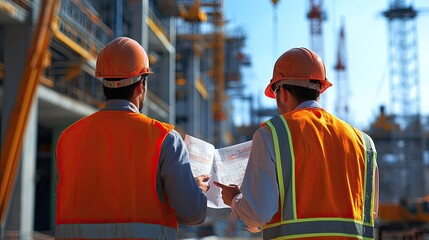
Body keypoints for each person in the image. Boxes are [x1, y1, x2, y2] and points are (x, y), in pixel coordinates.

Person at [214, 47, 379, 239]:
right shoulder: (364, 143)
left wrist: (235, 200)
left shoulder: (272, 133)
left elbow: (259, 213)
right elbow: (370, 214)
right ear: (319, 90)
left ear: (282, 92)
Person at [55, 37, 210, 239]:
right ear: (141, 86)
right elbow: (192, 214)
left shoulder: (68, 138)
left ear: (105, 84)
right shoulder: (164, 138)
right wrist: (194, 189)